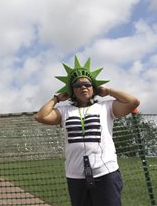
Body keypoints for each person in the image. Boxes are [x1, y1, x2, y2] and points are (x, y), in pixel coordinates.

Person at [35, 56, 140, 206]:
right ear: (72, 90)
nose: (83, 87)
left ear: (93, 87)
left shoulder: (106, 107)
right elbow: (40, 116)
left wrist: (109, 91)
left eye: (87, 83)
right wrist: (57, 99)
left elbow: (133, 102)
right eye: (77, 85)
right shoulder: (64, 111)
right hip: (75, 174)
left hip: (105, 172)